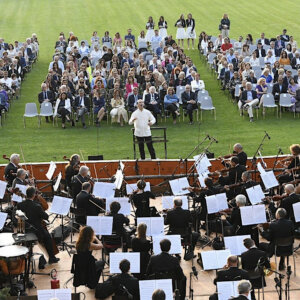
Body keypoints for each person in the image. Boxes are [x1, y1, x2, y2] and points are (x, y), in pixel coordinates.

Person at [17, 186, 59, 264]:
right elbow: (46, 217)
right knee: (48, 237)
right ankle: (52, 258)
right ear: (34, 195)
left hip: (24, 230)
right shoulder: (37, 206)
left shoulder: (20, 205)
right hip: (36, 231)